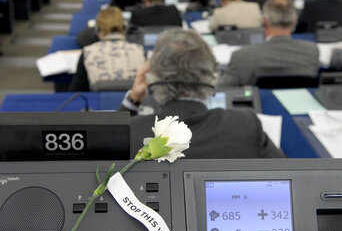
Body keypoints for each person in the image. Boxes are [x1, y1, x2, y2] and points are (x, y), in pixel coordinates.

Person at [120, 28, 285, 159]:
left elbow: (100, 152)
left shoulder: (130, 133)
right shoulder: (245, 125)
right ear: (212, 74)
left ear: (151, 75)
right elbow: (289, 176)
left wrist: (133, 99)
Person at [220, 0, 319, 86]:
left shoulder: (241, 57)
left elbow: (221, 90)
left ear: (264, 21)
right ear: (294, 21)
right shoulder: (312, 52)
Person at [69, 7, 145, 91]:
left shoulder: (88, 53)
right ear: (124, 27)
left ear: (97, 29)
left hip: (98, 103)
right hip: (134, 103)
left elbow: (76, 92)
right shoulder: (140, 51)